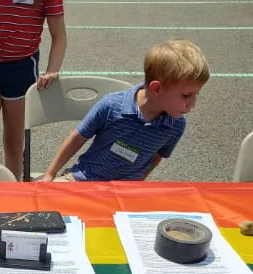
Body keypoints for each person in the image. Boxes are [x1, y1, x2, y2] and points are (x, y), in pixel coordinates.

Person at [41, 40, 210, 182]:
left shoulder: (176, 124)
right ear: (157, 88)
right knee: (49, 209)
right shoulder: (112, 105)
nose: (193, 103)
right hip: (85, 178)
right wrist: (50, 173)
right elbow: (78, 137)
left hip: (126, 191)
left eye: (197, 94)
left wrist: (137, 184)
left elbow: (156, 157)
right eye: (186, 95)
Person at [0, 0, 67, 180]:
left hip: (21, 69)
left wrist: (52, 69)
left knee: (14, 145)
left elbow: (59, 35)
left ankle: (13, 196)